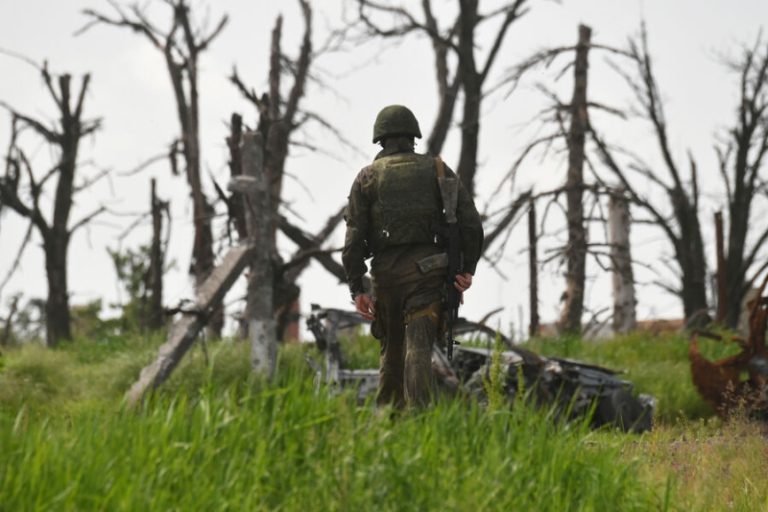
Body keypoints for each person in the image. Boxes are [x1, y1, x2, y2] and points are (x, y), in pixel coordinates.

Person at [342, 104, 484, 408]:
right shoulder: (438, 170)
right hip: (428, 276)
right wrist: (466, 270)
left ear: (380, 139)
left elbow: (353, 238)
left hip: (386, 278)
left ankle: (390, 426)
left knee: (391, 353)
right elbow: (471, 224)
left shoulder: (367, 177)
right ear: (413, 136)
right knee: (418, 349)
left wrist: (357, 288)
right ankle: (420, 423)